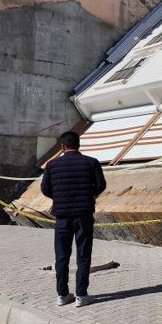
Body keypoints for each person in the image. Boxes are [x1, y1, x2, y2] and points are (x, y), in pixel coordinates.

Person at [41, 131, 106, 308]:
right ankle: (81, 295)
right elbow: (101, 185)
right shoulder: (91, 162)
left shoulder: (52, 165)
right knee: (83, 255)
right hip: (83, 214)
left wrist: (60, 197)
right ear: (79, 145)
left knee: (61, 256)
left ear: (62, 147)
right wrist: (88, 194)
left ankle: (62, 294)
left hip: (62, 216)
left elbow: (45, 189)